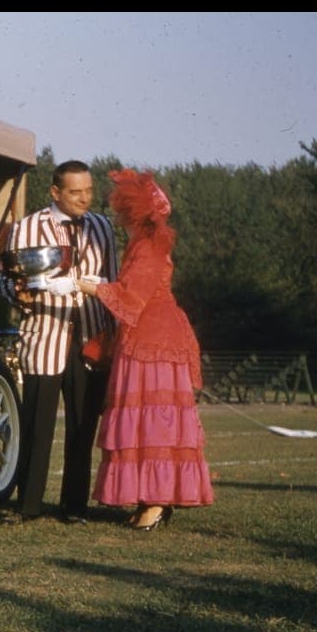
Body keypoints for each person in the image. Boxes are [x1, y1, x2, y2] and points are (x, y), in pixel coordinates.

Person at [67, 168, 215, 529]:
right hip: (144, 338)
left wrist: (82, 285)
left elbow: (130, 297)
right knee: (146, 419)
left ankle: (158, 501)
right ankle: (151, 498)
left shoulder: (148, 246)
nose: (119, 217)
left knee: (154, 420)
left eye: (123, 211)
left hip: (156, 341)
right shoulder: (141, 244)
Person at [0, 160, 118, 525]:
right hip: (45, 338)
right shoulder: (28, 227)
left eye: (89, 191)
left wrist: (113, 333)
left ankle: (74, 506)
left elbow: (113, 283)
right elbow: (7, 281)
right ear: (55, 192)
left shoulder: (103, 227)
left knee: (83, 427)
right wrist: (22, 296)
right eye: (75, 192)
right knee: (37, 425)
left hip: (91, 339)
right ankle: (29, 505)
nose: (84, 198)